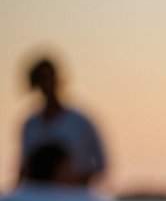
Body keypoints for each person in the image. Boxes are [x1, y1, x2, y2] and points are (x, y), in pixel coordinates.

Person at [18, 56, 107, 187]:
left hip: (75, 195)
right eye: (41, 79)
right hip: (40, 196)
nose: (47, 85)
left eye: (49, 78)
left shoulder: (80, 122)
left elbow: (101, 164)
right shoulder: (30, 125)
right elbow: (25, 166)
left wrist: (74, 183)